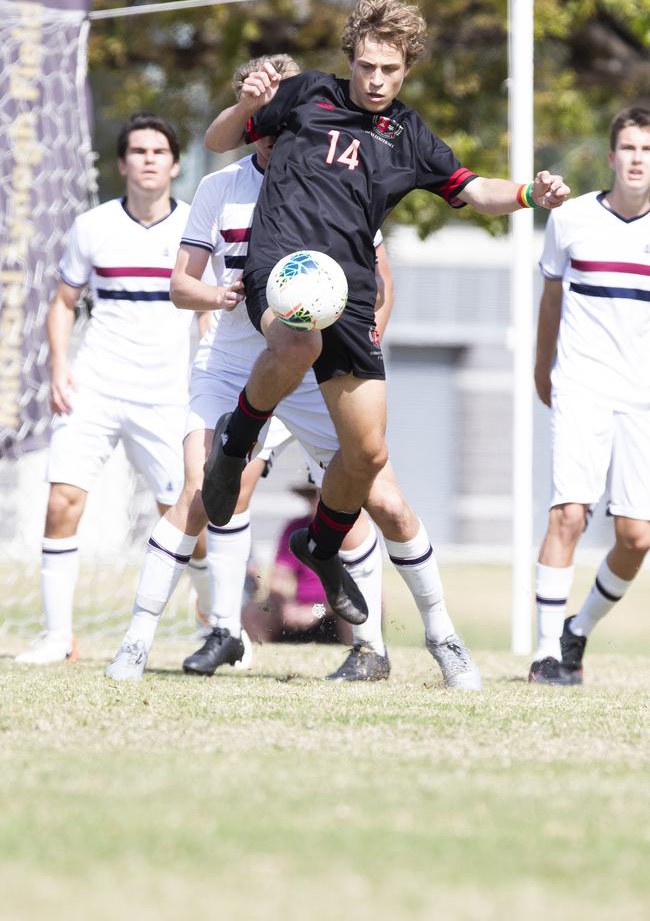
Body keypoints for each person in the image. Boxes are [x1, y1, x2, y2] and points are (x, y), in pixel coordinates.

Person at [105, 55, 479, 690]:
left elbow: (379, 279)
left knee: (378, 498)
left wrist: (369, 326)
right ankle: (140, 645)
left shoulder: (339, 177)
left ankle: (415, 643)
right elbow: (180, 283)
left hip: (315, 365)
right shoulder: (220, 188)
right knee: (201, 493)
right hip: (233, 363)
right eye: (270, 94)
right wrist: (217, 297)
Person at [201, 0, 570, 625]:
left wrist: (528, 193)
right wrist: (248, 104)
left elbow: (472, 190)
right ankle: (234, 445)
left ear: (406, 68)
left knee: (367, 454)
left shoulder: (409, 136)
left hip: (347, 294)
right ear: (351, 59)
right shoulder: (307, 94)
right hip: (283, 269)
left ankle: (319, 544)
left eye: (389, 70)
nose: (376, 80)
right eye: (367, 66)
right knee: (297, 340)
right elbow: (217, 141)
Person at [15, 113, 210, 665]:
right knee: (62, 501)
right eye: (138, 151)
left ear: (174, 164)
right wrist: (58, 369)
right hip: (95, 386)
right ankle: (57, 637)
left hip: (168, 393)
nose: (148, 159)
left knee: (186, 516)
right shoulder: (91, 226)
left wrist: (211, 381)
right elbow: (62, 302)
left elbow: (206, 314)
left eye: (159, 151)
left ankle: (216, 627)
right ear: (122, 163)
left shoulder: (196, 227)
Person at [528, 105, 650, 686]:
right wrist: (541, 366)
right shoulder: (572, 219)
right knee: (569, 515)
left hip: (642, 396)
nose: (637, 159)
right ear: (610, 156)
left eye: (647, 150)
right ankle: (545, 652)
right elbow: (551, 297)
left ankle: (578, 632)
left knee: (636, 537)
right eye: (629, 148)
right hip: (581, 383)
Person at [242, 475, 354, 645]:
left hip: (335, 614)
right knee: (254, 610)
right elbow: (278, 579)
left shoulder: (352, 532)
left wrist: (317, 611)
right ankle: (260, 656)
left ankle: (360, 654)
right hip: (298, 612)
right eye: (310, 496)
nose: (311, 502)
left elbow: (352, 591)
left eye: (317, 496)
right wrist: (286, 606)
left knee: (355, 609)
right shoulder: (296, 528)